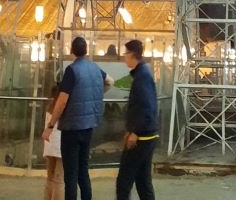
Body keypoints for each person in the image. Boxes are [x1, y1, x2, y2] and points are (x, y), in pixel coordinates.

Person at [43, 36, 112, 200]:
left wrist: (50, 125)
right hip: (88, 127)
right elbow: (110, 81)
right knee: (83, 171)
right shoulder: (95, 68)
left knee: (71, 176)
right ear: (86, 50)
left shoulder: (71, 70)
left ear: (71, 50)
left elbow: (62, 100)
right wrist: (95, 95)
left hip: (71, 128)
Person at [115, 39, 158, 200]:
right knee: (142, 181)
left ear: (132, 54)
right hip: (148, 135)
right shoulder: (143, 73)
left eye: (125, 53)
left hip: (142, 137)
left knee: (124, 182)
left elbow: (145, 106)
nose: (124, 57)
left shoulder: (142, 77)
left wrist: (134, 132)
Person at [43, 83, 64, 200]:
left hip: (50, 145)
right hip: (61, 146)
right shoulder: (63, 108)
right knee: (59, 179)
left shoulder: (50, 107)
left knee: (50, 177)